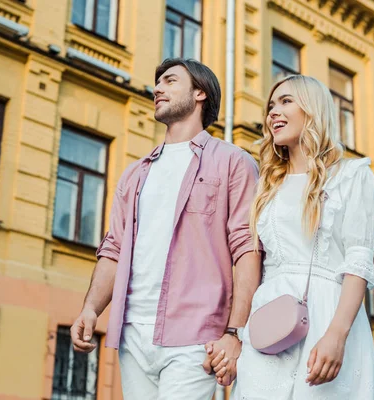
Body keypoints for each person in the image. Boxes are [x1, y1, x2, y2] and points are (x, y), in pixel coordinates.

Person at [69, 58, 262, 400]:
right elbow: (113, 248)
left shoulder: (233, 162)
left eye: (170, 81)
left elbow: (247, 249)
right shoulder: (135, 174)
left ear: (200, 92)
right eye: (157, 83)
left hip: (196, 336)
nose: (157, 89)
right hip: (132, 335)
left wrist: (235, 331)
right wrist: (90, 308)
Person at [216, 74, 374, 399]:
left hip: (326, 312)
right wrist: (235, 333)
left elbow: (358, 263)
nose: (273, 112)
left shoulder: (352, 176)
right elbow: (251, 264)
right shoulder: (265, 186)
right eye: (270, 106)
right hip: (268, 320)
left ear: (313, 109)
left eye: (286, 101)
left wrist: (337, 334)